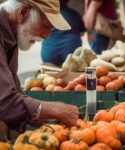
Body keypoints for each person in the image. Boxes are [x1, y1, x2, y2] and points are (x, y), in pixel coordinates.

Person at [0, 0, 79, 135]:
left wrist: (50, 119)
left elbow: (15, 93)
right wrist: (51, 109)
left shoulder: (12, 34)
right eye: (45, 26)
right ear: (23, 12)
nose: (47, 36)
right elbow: (5, 101)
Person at [41, 0, 86, 66]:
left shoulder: (48, 15)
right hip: (70, 53)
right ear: (68, 1)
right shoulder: (74, 14)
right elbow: (82, 33)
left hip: (49, 54)